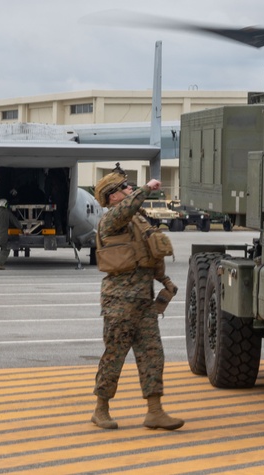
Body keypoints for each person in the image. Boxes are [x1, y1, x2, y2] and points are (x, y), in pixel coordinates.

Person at [90, 171, 184, 431]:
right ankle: (101, 409)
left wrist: (164, 281)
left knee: (153, 354)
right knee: (114, 356)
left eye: (130, 186)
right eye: (125, 187)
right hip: (119, 301)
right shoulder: (112, 220)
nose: (130, 188)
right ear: (113, 196)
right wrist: (145, 189)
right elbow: (125, 210)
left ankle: (155, 411)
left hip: (143, 300)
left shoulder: (137, 222)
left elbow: (148, 256)